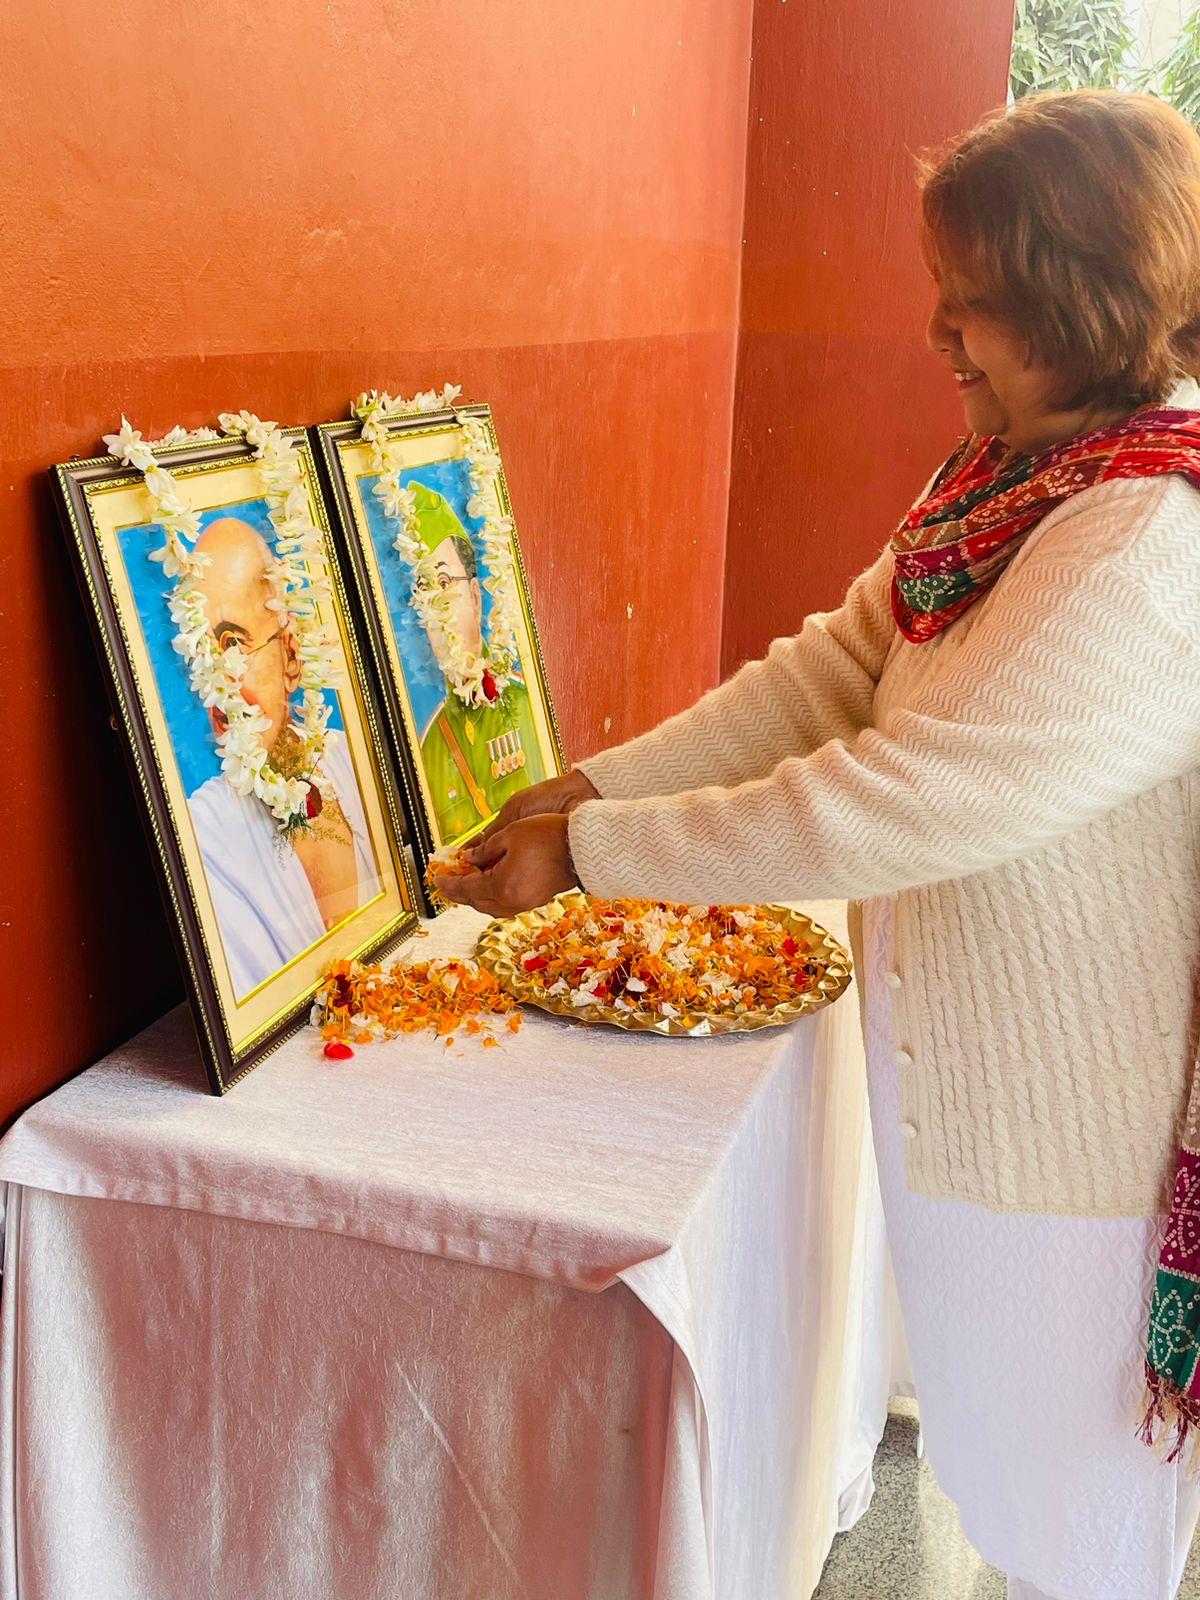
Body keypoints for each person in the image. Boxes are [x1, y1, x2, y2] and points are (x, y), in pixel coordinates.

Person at [440, 91, 1200, 1600]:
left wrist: (593, 859)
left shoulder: (1149, 537)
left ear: (1077, 307)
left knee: (1077, 1525)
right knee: (1003, 1478)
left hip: (1069, 1153)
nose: (939, 334)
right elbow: (828, 674)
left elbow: (905, 792)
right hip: (973, 1108)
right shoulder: (1010, 483)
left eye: (970, 305)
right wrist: (575, 790)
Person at [186, 516, 380, 997]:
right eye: (202, 655)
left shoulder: (357, 767)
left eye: (233, 645)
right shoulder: (202, 833)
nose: (219, 686)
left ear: (291, 657)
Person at [406, 482, 545, 841]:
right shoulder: (431, 744)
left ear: (474, 596)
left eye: (442, 581)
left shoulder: (526, 703)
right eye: (423, 589)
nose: (435, 604)